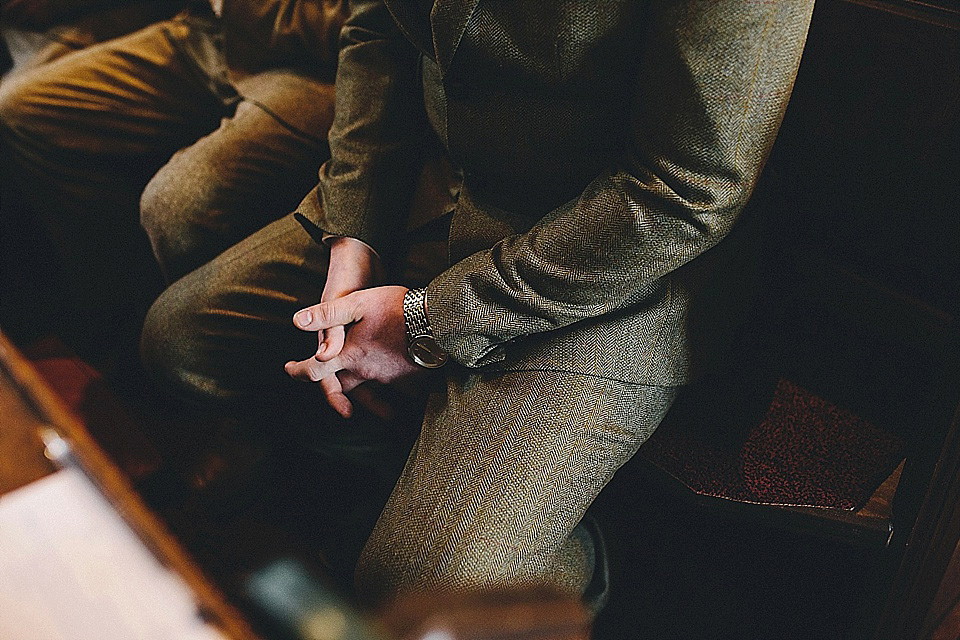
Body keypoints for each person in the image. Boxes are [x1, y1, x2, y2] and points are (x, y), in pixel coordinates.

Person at [141, 0, 817, 610]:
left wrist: (426, 325)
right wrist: (357, 237)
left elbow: (687, 189)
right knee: (183, 347)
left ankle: (589, 554)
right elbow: (379, 28)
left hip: (614, 267)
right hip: (435, 190)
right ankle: (404, 476)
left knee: (416, 590)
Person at [0, 0, 347, 365]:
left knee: (177, 203)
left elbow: (358, 25)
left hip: (313, 70)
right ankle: (114, 317)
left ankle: (183, 356)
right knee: (23, 112)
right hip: (207, 34)